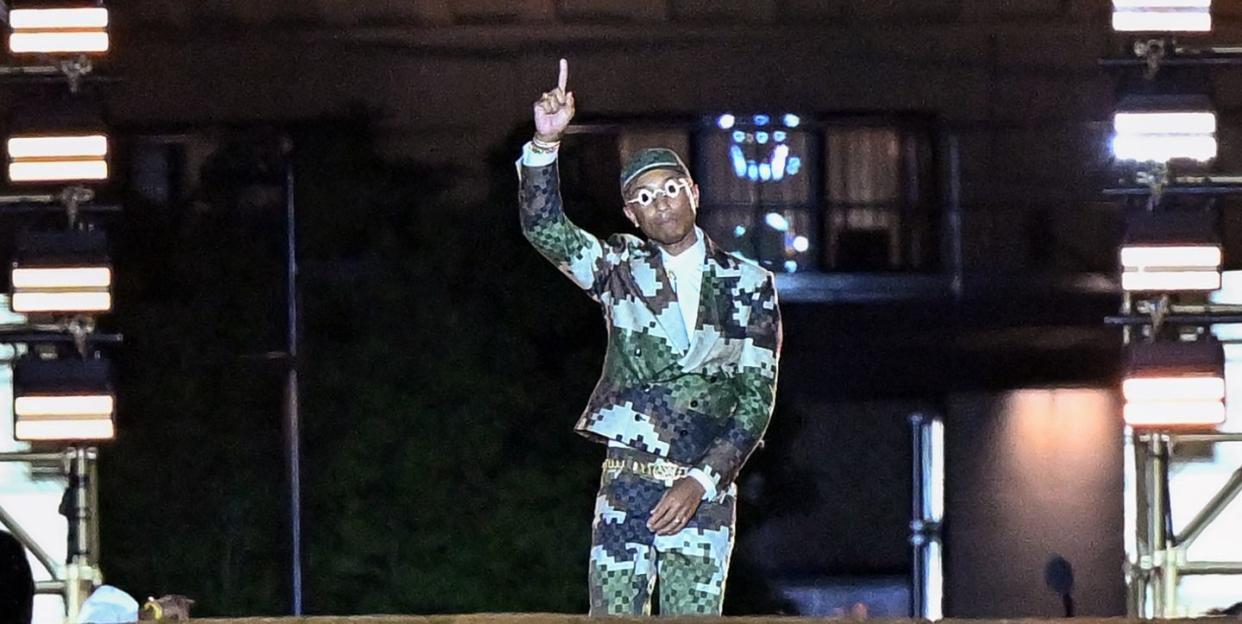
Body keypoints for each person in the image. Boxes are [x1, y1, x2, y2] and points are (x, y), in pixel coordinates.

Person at [517, 59, 782, 616]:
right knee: (613, 616)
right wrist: (545, 144)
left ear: (695, 193)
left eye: (669, 188)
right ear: (631, 216)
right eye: (644, 196)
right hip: (629, 477)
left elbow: (756, 400)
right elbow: (546, 230)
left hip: (703, 483)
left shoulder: (750, 284)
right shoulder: (620, 265)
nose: (659, 201)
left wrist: (703, 481)